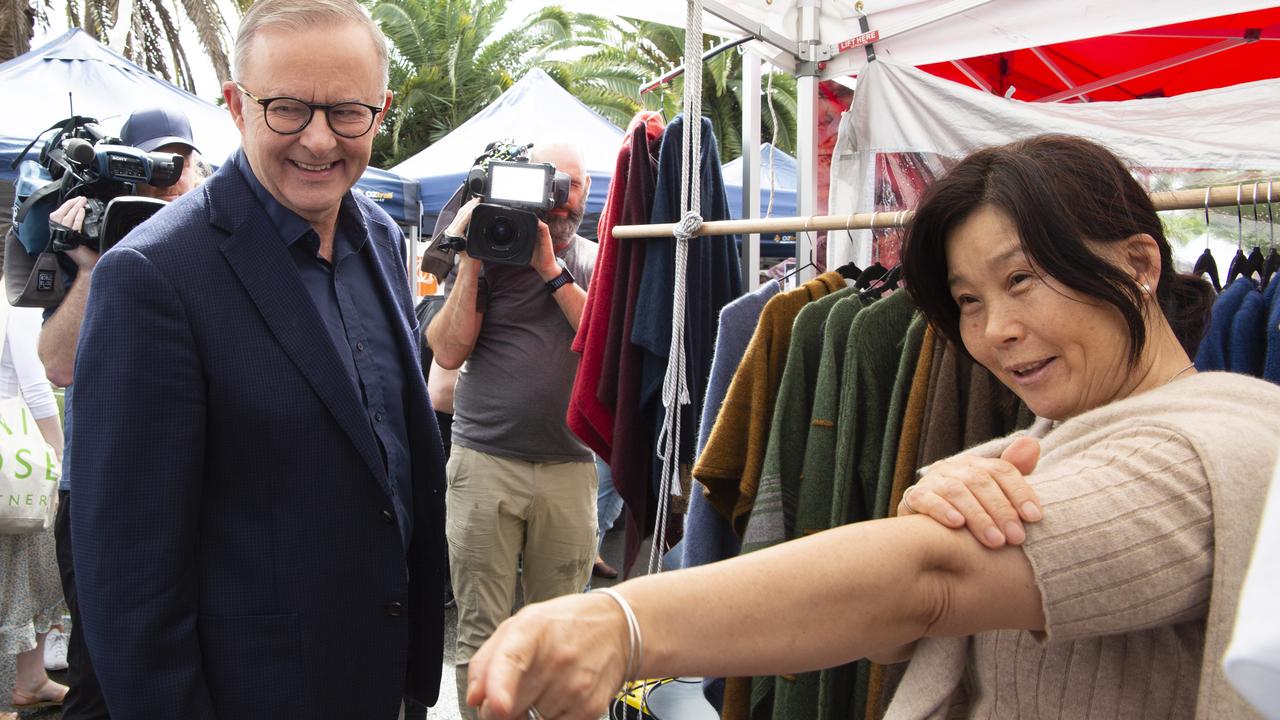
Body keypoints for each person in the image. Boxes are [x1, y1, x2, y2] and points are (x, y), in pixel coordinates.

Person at [463, 134, 1280, 720]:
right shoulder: (1064, 434)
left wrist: (626, 622)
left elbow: (930, 583)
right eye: (967, 301)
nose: (994, 330)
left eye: (1022, 279)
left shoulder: (1214, 447)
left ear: (1139, 264)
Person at [67, 1, 447, 717]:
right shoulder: (154, 277)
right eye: (287, 109)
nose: (318, 139)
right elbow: (129, 585)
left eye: (347, 112)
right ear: (237, 105)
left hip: (385, 684)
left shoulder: (381, 237)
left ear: (382, 109)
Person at [37, 103, 206, 720]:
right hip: (100, 493)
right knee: (99, 678)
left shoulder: (213, 236)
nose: (165, 180)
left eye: (177, 164)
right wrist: (92, 265)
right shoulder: (92, 235)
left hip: (191, 494)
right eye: (150, 167)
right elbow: (59, 365)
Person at [426, 142, 598, 719]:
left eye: (568, 185)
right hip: (485, 461)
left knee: (560, 630)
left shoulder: (597, 261)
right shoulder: (487, 257)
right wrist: (474, 256)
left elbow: (600, 340)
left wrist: (549, 269)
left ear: (587, 189)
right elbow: (448, 352)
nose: (557, 199)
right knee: (481, 629)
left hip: (569, 465)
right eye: (546, 183)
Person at [0, 297, 67, 719]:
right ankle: (12, 690)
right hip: (12, 463)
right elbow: (38, 384)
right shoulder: (14, 306)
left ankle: (30, 681)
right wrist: (58, 464)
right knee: (18, 579)